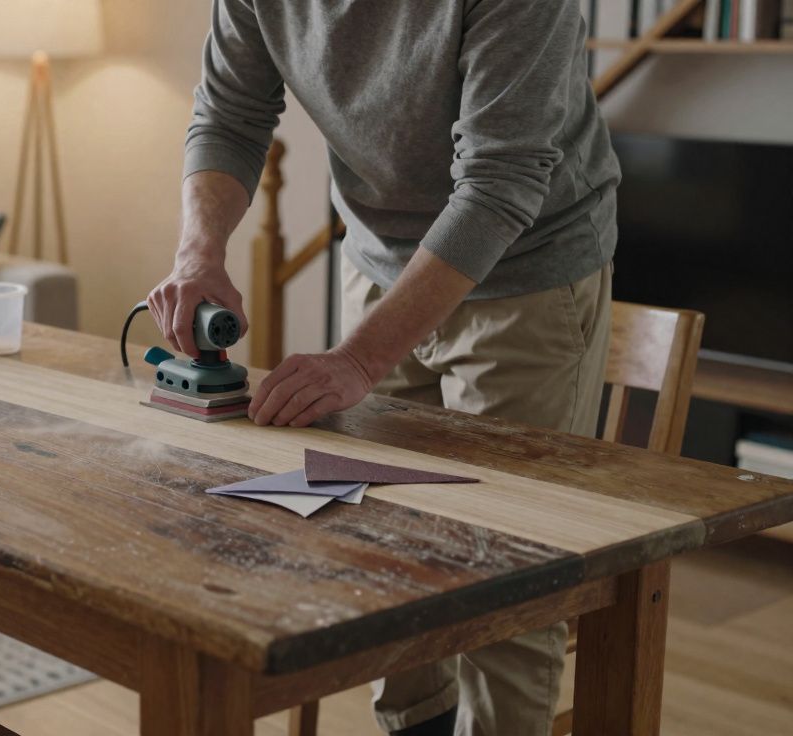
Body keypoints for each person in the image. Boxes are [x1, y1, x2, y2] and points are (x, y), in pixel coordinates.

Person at [146, 2, 620, 735]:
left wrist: (360, 359)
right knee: (385, 551)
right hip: (378, 258)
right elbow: (229, 115)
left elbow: (501, 182)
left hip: (525, 274)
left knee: (507, 572)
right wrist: (197, 254)